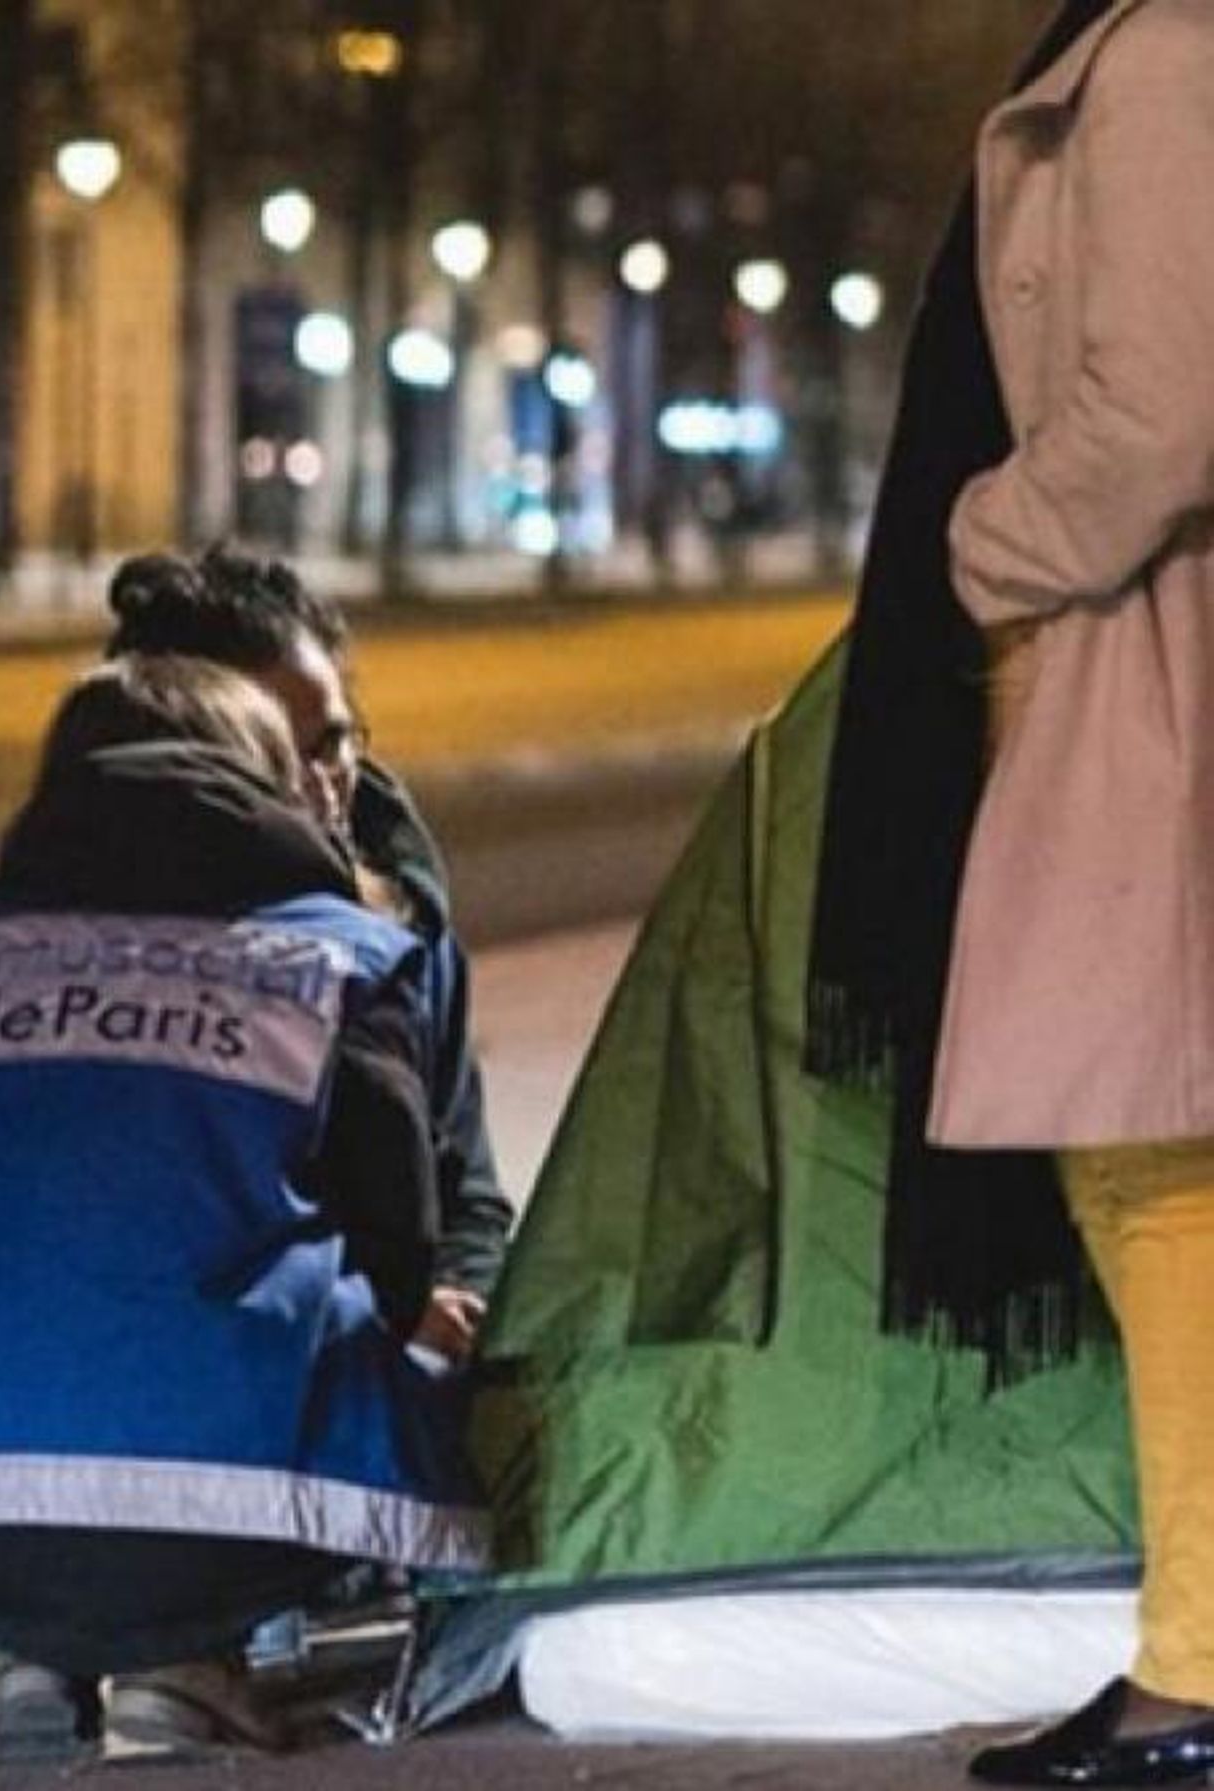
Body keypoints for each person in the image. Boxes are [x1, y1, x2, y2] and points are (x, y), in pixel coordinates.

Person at [0, 654, 486, 1759]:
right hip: (220, 1519)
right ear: (264, 785)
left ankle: (26, 1654)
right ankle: (190, 1663)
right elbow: (401, 1254)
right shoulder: (347, 958)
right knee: (439, 1359)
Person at [807, 1, 1214, 1782]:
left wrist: (973, 551)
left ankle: (1204, 1673)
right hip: (1143, 653)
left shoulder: (1171, 50)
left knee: (1157, 1161)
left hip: (1150, 657)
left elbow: (1163, 411)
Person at [101, 547, 512, 1364]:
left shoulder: (400, 919)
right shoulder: (103, 934)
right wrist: (378, 1319)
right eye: (277, 760)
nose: (323, 786)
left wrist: (456, 1316)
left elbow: (464, 1190)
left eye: (334, 741)